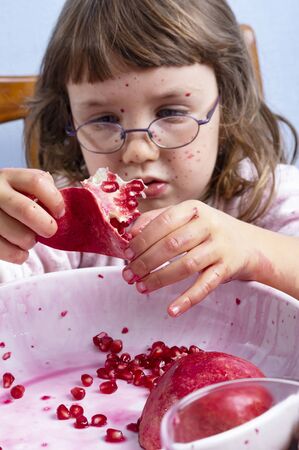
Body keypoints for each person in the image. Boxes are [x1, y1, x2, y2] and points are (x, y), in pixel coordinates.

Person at [0, 0, 299, 315]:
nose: (137, 151)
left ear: (226, 108)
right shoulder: (52, 220)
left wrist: (254, 250)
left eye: (171, 112)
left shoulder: (269, 196)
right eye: (104, 119)